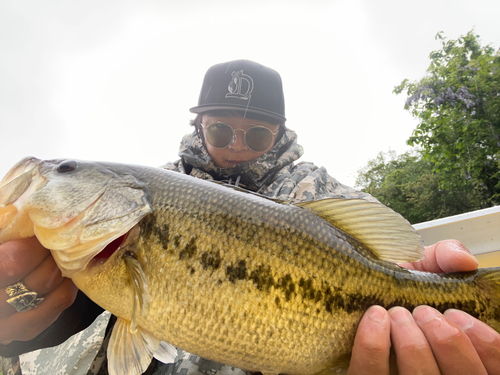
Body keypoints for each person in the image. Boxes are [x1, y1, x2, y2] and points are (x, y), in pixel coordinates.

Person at [1, 60, 499, 375]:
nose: (237, 147)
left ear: (279, 132)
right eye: (220, 130)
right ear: (199, 125)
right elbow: (76, 307)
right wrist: (21, 310)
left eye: (256, 136)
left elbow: (392, 257)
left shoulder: (315, 190)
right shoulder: (150, 193)